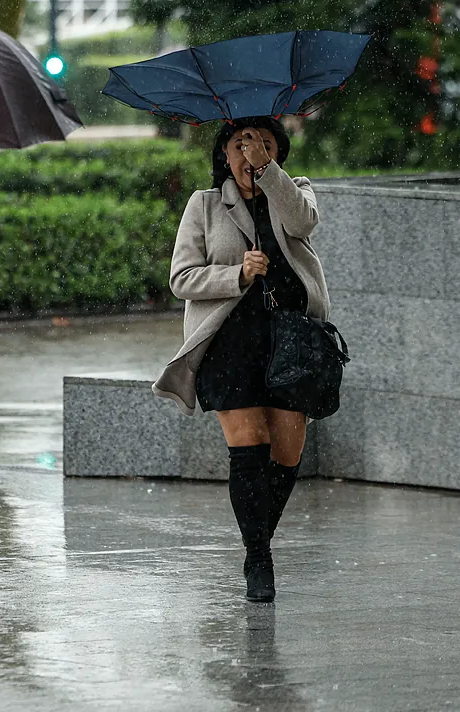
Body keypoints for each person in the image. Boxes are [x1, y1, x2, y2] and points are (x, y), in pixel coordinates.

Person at [153, 116, 330, 603]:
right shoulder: (205, 204)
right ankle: (259, 558)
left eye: (263, 144)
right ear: (224, 156)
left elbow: (303, 222)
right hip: (229, 342)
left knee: (288, 453)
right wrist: (236, 274)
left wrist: (269, 174)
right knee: (249, 445)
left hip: (291, 340)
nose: (250, 153)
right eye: (241, 144)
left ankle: (258, 540)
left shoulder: (296, 192)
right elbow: (182, 278)